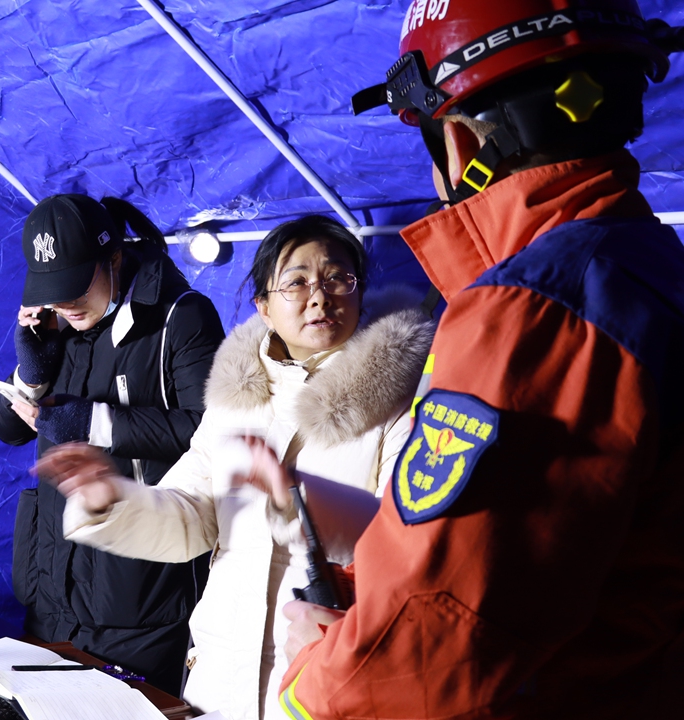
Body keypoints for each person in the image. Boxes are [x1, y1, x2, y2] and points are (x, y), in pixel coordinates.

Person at [266, 2, 684, 717]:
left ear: (458, 141)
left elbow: (432, 638)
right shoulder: (646, 266)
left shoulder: (532, 312)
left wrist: (311, 683)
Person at [34, 216, 435, 720]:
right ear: (263, 307)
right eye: (296, 281)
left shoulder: (406, 396)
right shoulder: (237, 398)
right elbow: (191, 513)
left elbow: (408, 538)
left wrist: (299, 501)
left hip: (327, 673)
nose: (319, 295)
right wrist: (107, 497)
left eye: (337, 277)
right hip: (222, 674)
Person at [0, 194, 225, 692]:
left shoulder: (182, 318)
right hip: (51, 587)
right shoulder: (58, 322)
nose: (62, 302)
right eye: (51, 290)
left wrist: (95, 424)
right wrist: (31, 371)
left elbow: (210, 431)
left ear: (114, 259)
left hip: (140, 601)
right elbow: (8, 428)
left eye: (74, 285)